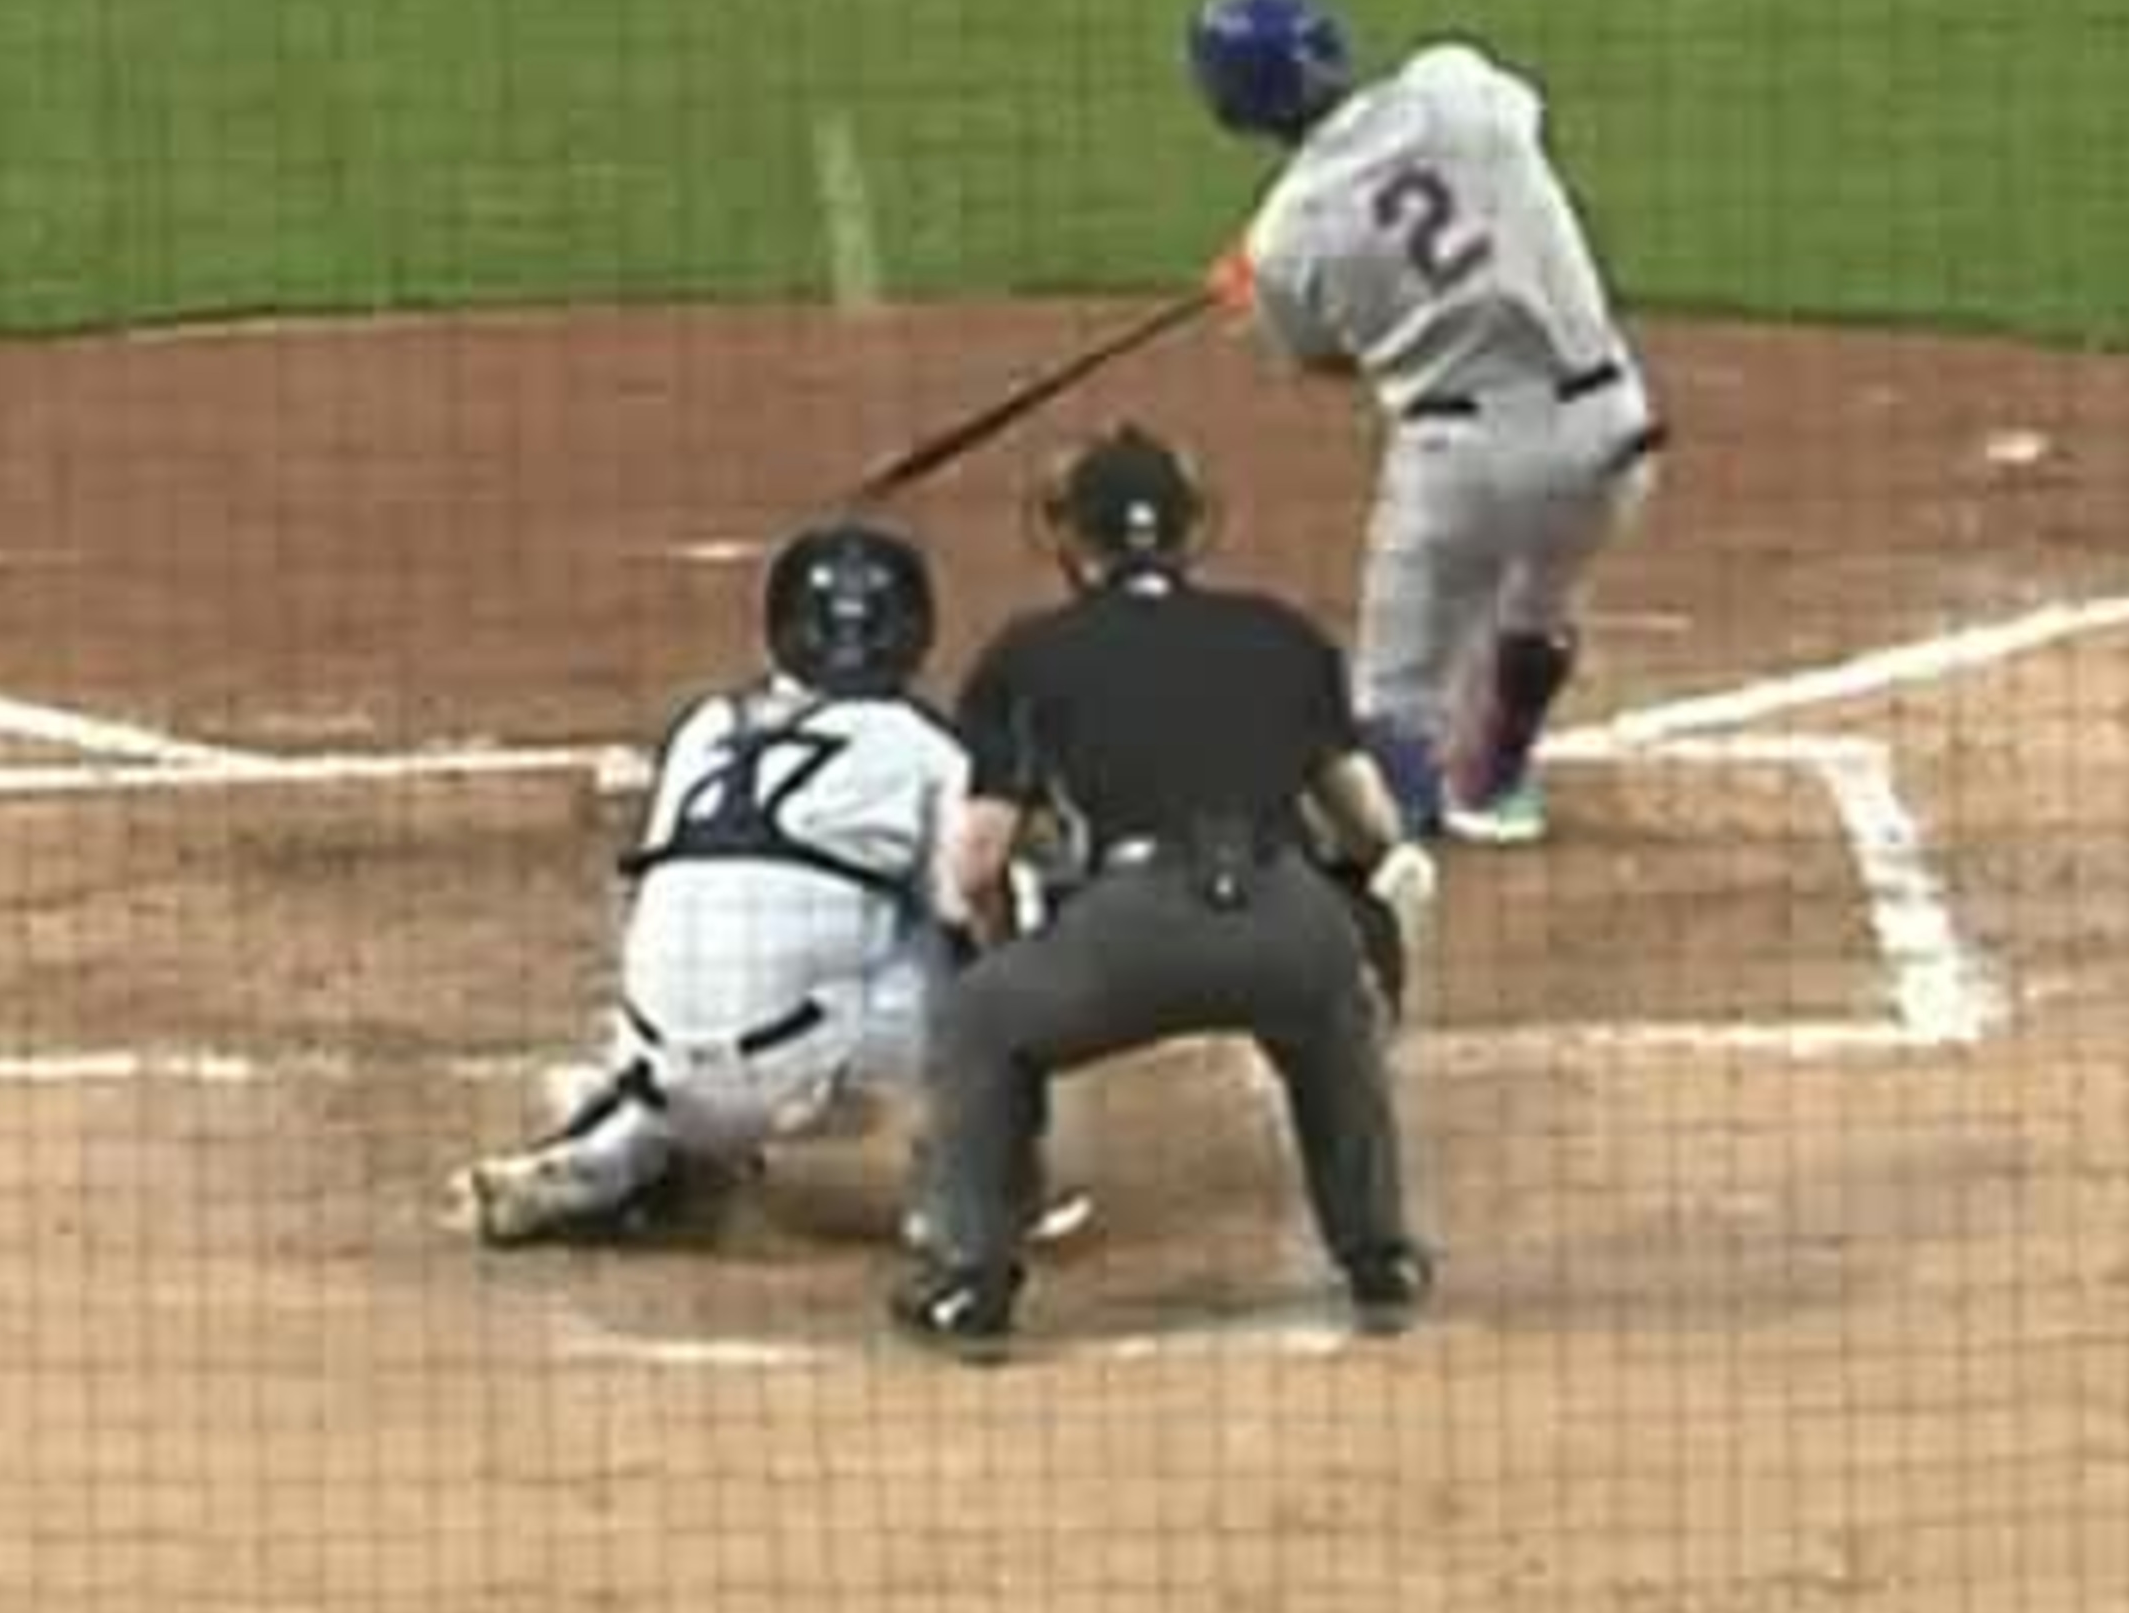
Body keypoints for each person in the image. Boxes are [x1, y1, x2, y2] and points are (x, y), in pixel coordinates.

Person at [893, 424, 1435, 1356]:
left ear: (1070, 538)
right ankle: (1379, 1257)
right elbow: (1373, 829)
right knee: (1329, 1012)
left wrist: (1004, 948)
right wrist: (1356, 933)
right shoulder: (1281, 632)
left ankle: (970, 1282)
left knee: (984, 1019)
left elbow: (975, 864)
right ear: (1192, 531)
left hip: (1129, 930)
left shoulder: (1030, 651)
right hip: (1284, 914)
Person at [1190, 0, 1661, 848]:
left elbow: (1329, 359)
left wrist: (1253, 289)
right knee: (1541, 598)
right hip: (1611, 430)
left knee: (1392, 697)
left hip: (1465, 465)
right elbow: (1503, 142)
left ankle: (1398, 873)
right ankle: (1497, 778)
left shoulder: (1288, 231)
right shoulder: (1455, 87)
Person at [451, 521, 975, 1246]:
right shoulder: (927, 750)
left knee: (699, 914)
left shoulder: (704, 726)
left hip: (655, 1052)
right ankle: (966, 1193)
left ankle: (615, 1150)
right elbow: (966, 904)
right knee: (976, 949)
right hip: (797, 1074)